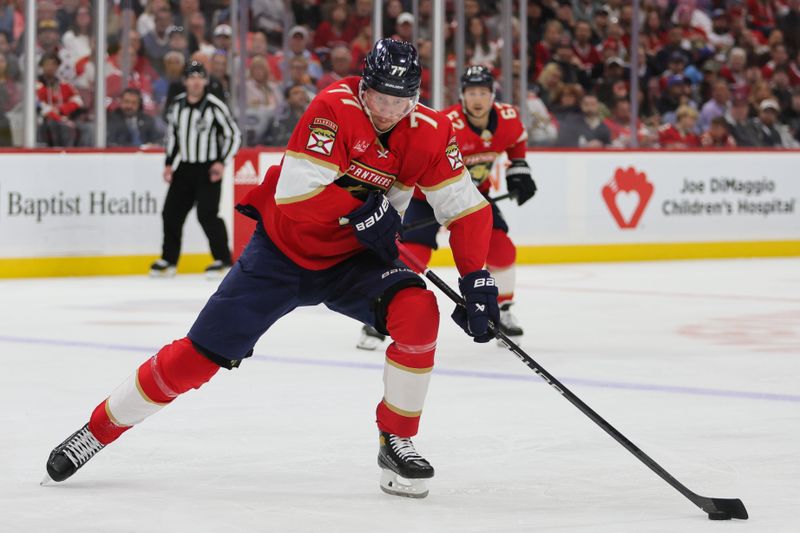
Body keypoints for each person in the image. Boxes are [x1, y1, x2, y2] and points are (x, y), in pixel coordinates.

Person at [43, 39, 498, 500]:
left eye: (399, 102)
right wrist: (362, 210)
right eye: (379, 98)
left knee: (419, 312)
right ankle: (96, 431)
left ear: (415, 98)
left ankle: (396, 439)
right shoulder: (332, 107)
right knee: (195, 359)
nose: (387, 111)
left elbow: (466, 210)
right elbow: (297, 195)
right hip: (282, 253)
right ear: (364, 89)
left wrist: (476, 278)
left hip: (353, 261)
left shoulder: (432, 131)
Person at [357, 65, 535, 351]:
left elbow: (517, 140)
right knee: (413, 254)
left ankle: (501, 309)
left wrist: (519, 165)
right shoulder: (448, 122)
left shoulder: (509, 119)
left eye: (483, 92)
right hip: (425, 197)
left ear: (492, 96)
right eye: (471, 92)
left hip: (473, 197)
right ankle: (382, 310)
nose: (477, 99)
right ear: (462, 96)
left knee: (502, 249)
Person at [149, 61, 241, 278]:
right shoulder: (177, 105)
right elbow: (173, 136)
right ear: (185, 81)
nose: (196, 81)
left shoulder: (214, 105)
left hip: (209, 169)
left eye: (200, 77)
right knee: (171, 213)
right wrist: (169, 163)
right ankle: (169, 260)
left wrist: (221, 161)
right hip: (185, 167)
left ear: (206, 81)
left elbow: (233, 135)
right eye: (191, 77)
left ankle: (223, 259)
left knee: (207, 214)